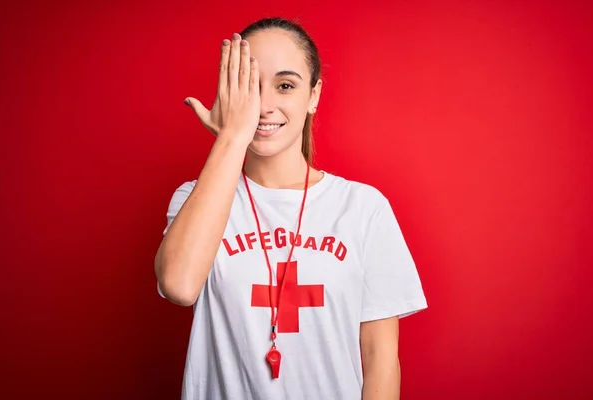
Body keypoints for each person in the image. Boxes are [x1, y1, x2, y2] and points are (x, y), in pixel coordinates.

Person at [154, 16, 428, 400]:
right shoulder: (194, 198)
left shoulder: (364, 208)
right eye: (250, 86)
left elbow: (380, 357)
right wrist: (232, 136)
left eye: (285, 86)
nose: (264, 106)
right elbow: (179, 286)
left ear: (314, 95)